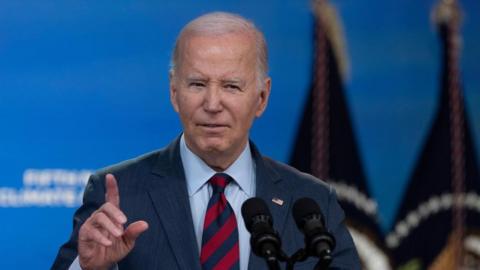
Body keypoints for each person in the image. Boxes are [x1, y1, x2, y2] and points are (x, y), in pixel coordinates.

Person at [51, 11, 360, 270]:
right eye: (197, 84)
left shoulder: (312, 203)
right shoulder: (118, 195)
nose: (212, 103)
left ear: (262, 97)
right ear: (174, 92)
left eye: (231, 86)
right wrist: (87, 268)